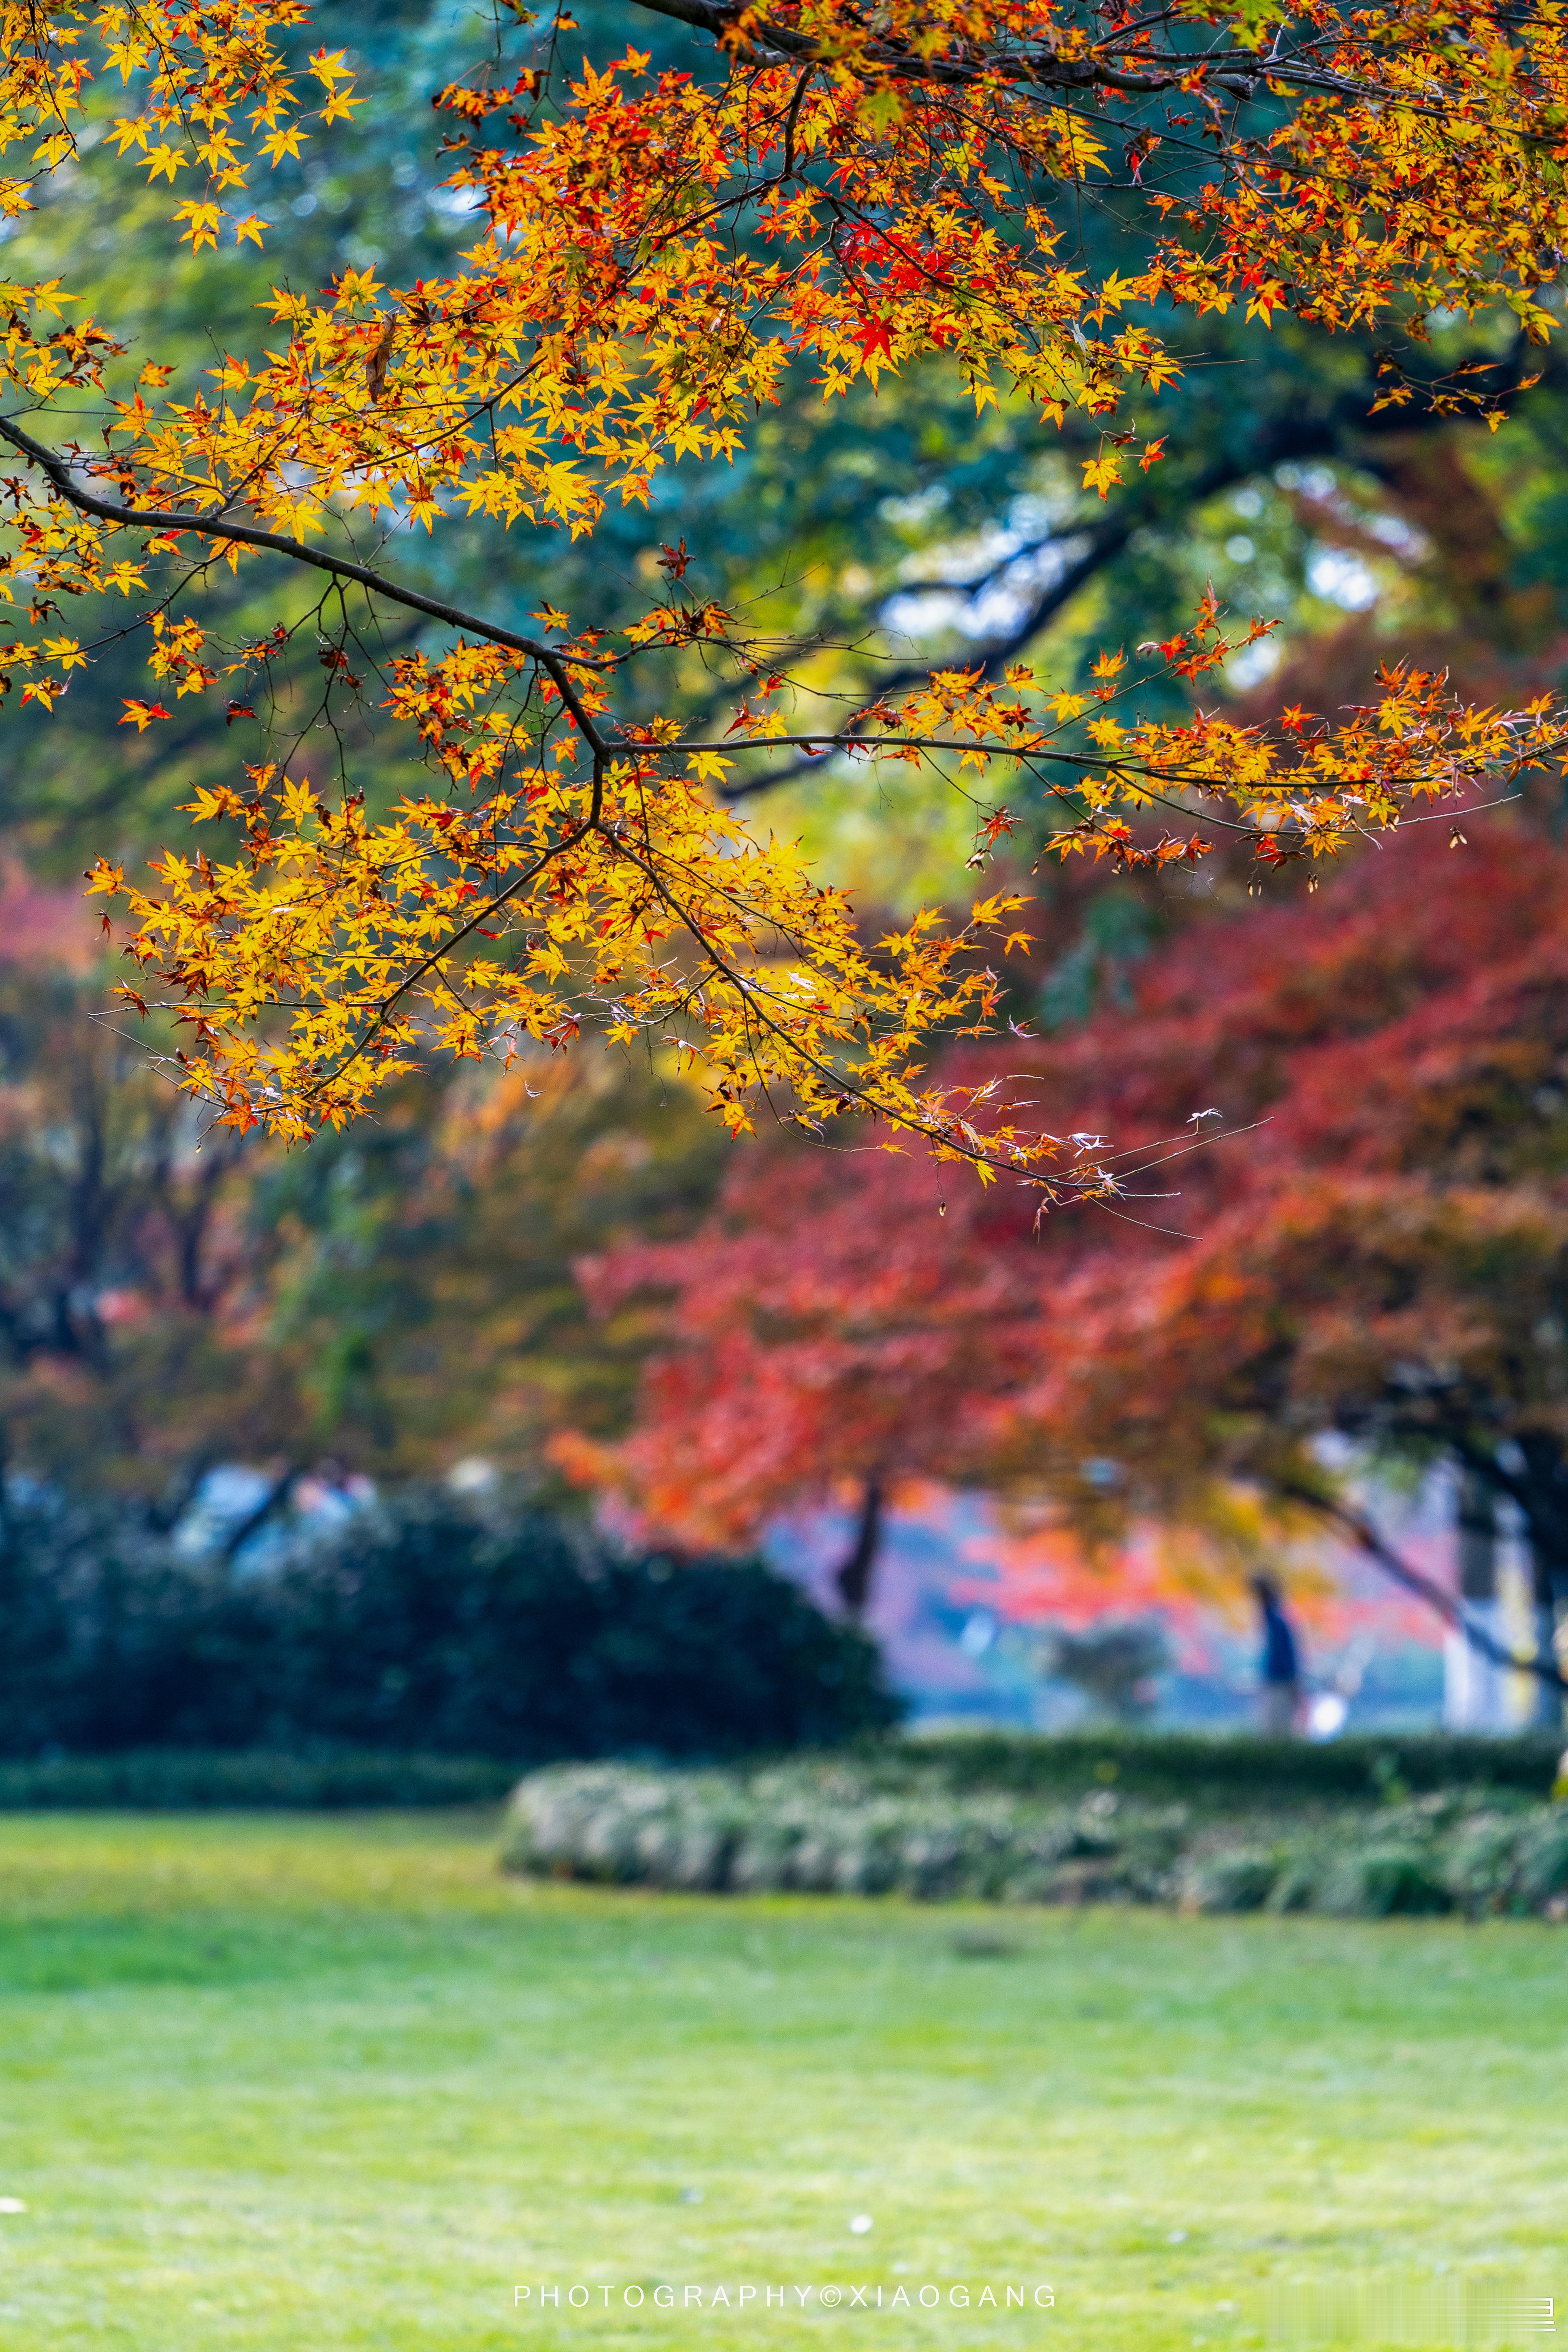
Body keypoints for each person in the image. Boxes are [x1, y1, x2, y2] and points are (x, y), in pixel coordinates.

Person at [1251, 1575, 1301, 1737]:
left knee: (1276, 1732)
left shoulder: (1277, 1623)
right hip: (1276, 1683)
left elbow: (1287, 1660)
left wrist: (1293, 1684)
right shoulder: (1274, 1622)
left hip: (1279, 1684)